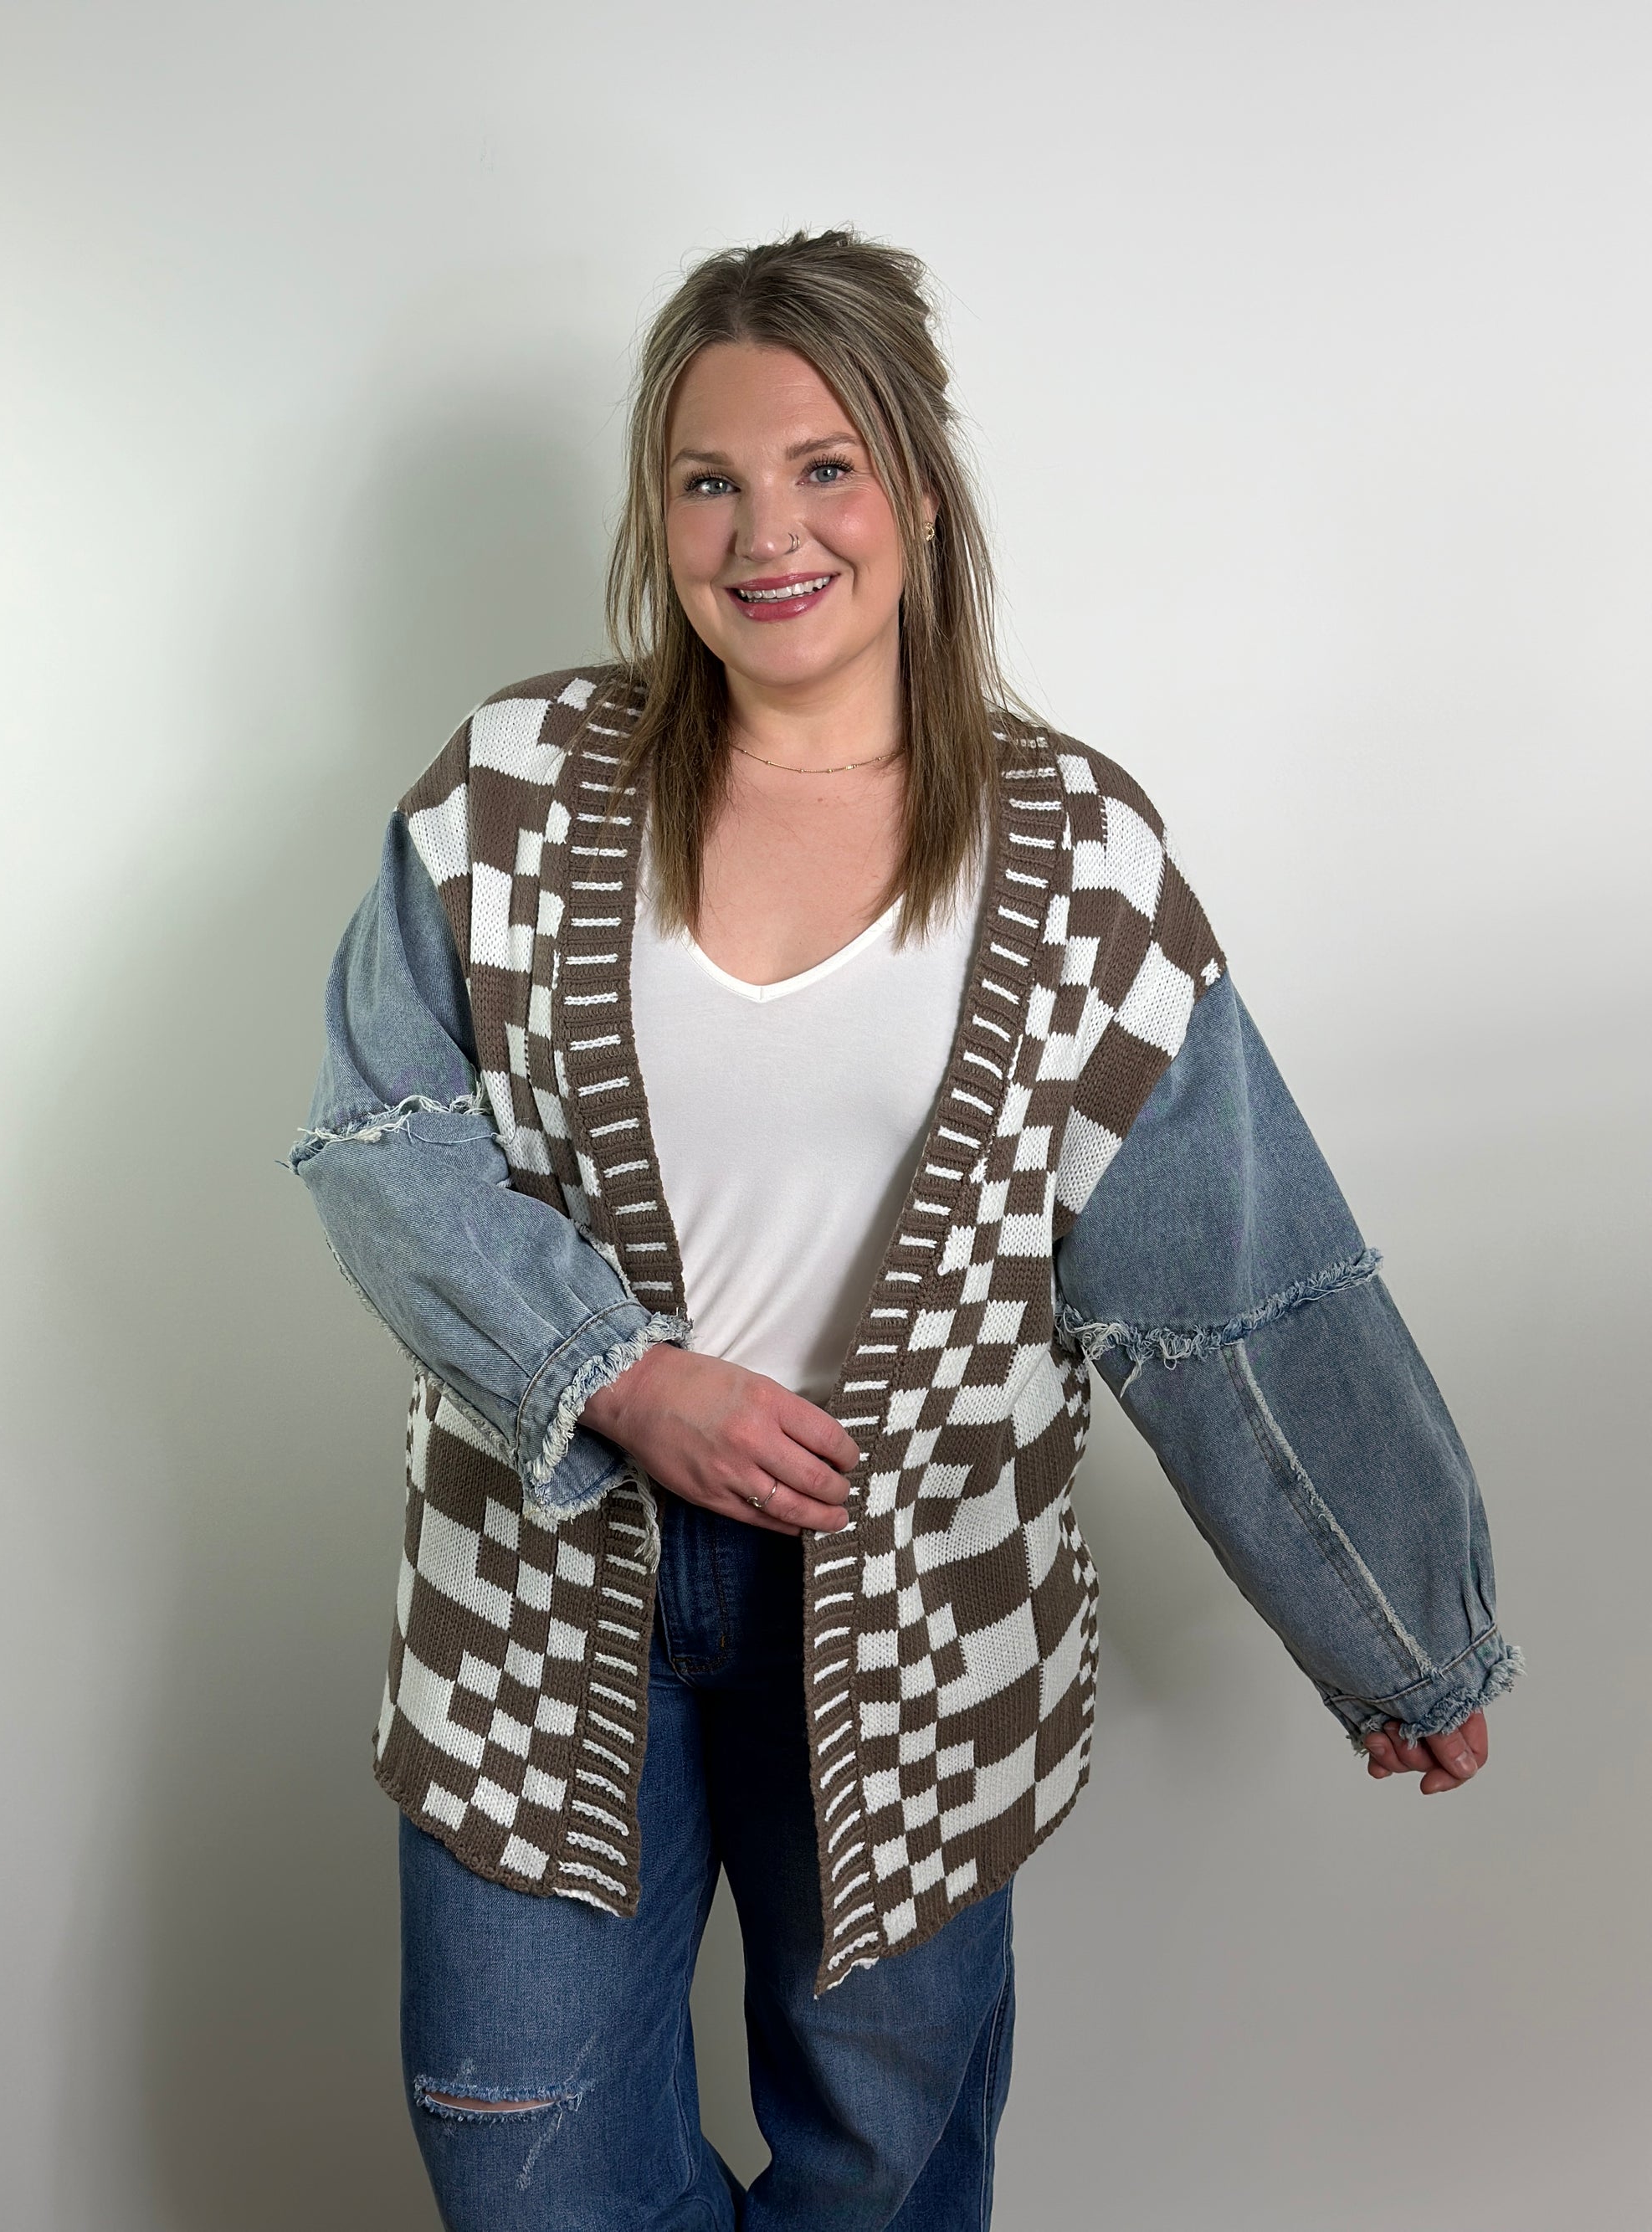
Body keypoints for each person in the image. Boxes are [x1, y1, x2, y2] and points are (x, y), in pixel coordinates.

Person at [290, 230, 1520, 2232]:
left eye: (823, 467)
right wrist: (615, 1374)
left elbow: (1228, 1277)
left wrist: (1402, 1632)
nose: (766, 531)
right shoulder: (508, 792)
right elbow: (377, 1129)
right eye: (708, 479)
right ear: (658, 514)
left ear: (922, 492)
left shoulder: (1075, 854)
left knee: (880, 2169)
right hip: (543, 1584)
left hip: (925, 1596)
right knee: (523, 2150)